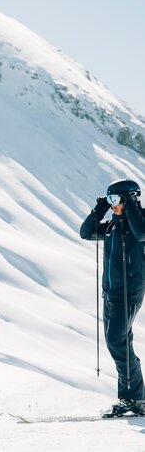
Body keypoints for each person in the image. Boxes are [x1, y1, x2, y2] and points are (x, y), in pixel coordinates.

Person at [80, 178, 145, 417]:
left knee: (117, 341)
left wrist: (132, 208)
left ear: (129, 199)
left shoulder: (139, 222)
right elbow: (85, 233)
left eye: (116, 199)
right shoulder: (112, 227)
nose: (113, 204)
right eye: (109, 200)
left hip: (129, 292)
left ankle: (133, 399)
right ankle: (135, 398)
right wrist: (99, 210)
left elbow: (140, 234)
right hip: (110, 292)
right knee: (119, 341)